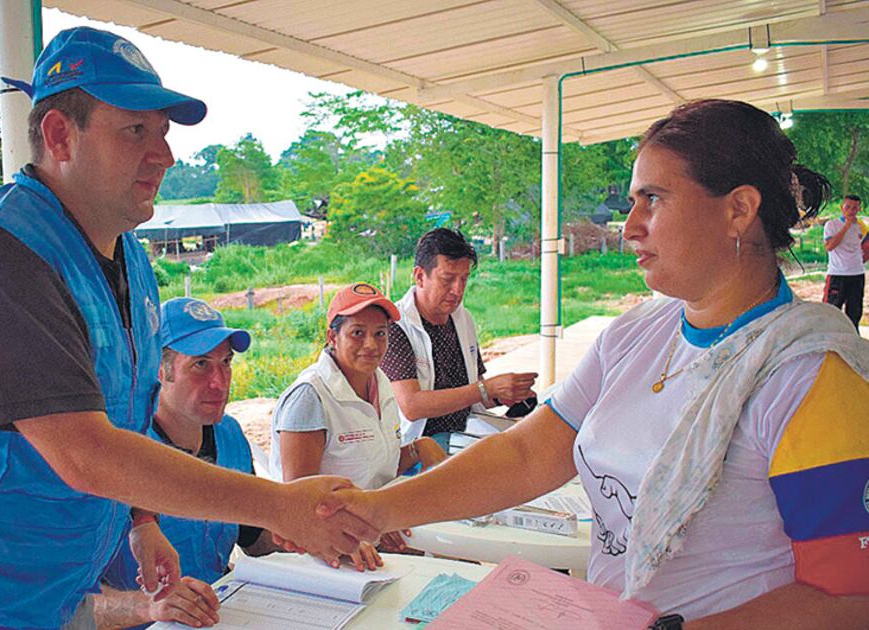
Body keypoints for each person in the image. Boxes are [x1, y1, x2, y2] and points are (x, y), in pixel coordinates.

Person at [316, 100, 869, 627]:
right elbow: (529, 452)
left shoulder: (809, 375)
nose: (630, 226)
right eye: (634, 201)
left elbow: (848, 599)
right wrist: (378, 510)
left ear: (738, 209)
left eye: (653, 199)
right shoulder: (636, 333)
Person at [0, 27, 374, 629]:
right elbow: (83, 450)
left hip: (48, 590)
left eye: (162, 133)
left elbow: (122, 413)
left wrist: (140, 519)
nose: (163, 155)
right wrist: (278, 506)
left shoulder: (128, 256)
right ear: (60, 135)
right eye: (135, 131)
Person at [95, 298, 281, 629]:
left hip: (225, 615)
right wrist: (146, 607)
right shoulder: (115, 451)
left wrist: (317, 537)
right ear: (157, 368)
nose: (220, 382)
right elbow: (66, 606)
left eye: (226, 362)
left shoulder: (230, 436)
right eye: (201, 365)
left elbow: (255, 541)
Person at [270, 283, 447, 570]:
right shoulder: (310, 396)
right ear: (332, 337)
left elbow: (375, 466)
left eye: (380, 333)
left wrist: (417, 448)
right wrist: (362, 529)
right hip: (331, 550)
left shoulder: (380, 382)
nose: (371, 345)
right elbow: (300, 501)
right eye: (357, 333)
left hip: (374, 531)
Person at [380, 229, 537, 451]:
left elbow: (475, 393)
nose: (457, 290)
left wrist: (503, 395)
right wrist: (485, 389)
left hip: (466, 432)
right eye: (447, 279)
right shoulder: (395, 326)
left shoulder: (462, 318)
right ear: (419, 276)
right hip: (417, 447)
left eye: (464, 279)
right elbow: (411, 406)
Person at [823, 194, 865, 328]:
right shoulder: (832, 224)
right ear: (842, 208)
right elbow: (829, 246)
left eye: (854, 208)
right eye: (848, 207)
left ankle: (852, 341)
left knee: (854, 313)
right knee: (832, 311)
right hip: (837, 274)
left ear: (859, 209)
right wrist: (846, 226)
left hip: (857, 274)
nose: (851, 211)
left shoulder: (862, 226)